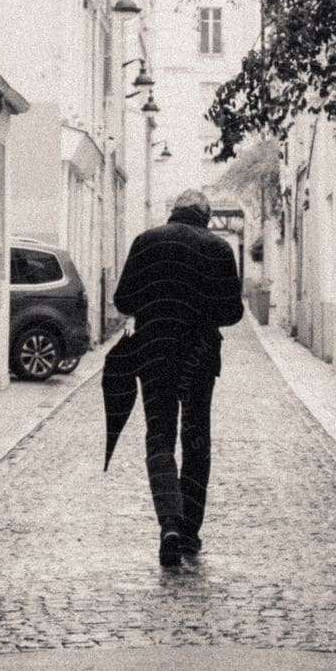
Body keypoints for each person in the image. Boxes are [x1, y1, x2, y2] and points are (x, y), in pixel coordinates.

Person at [111, 188, 244, 567]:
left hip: (153, 352)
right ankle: (189, 533)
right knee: (196, 437)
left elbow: (123, 300)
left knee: (159, 435)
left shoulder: (145, 241)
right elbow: (232, 312)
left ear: (173, 211)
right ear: (205, 216)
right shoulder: (219, 249)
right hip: (199, 355)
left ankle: (168, 524)